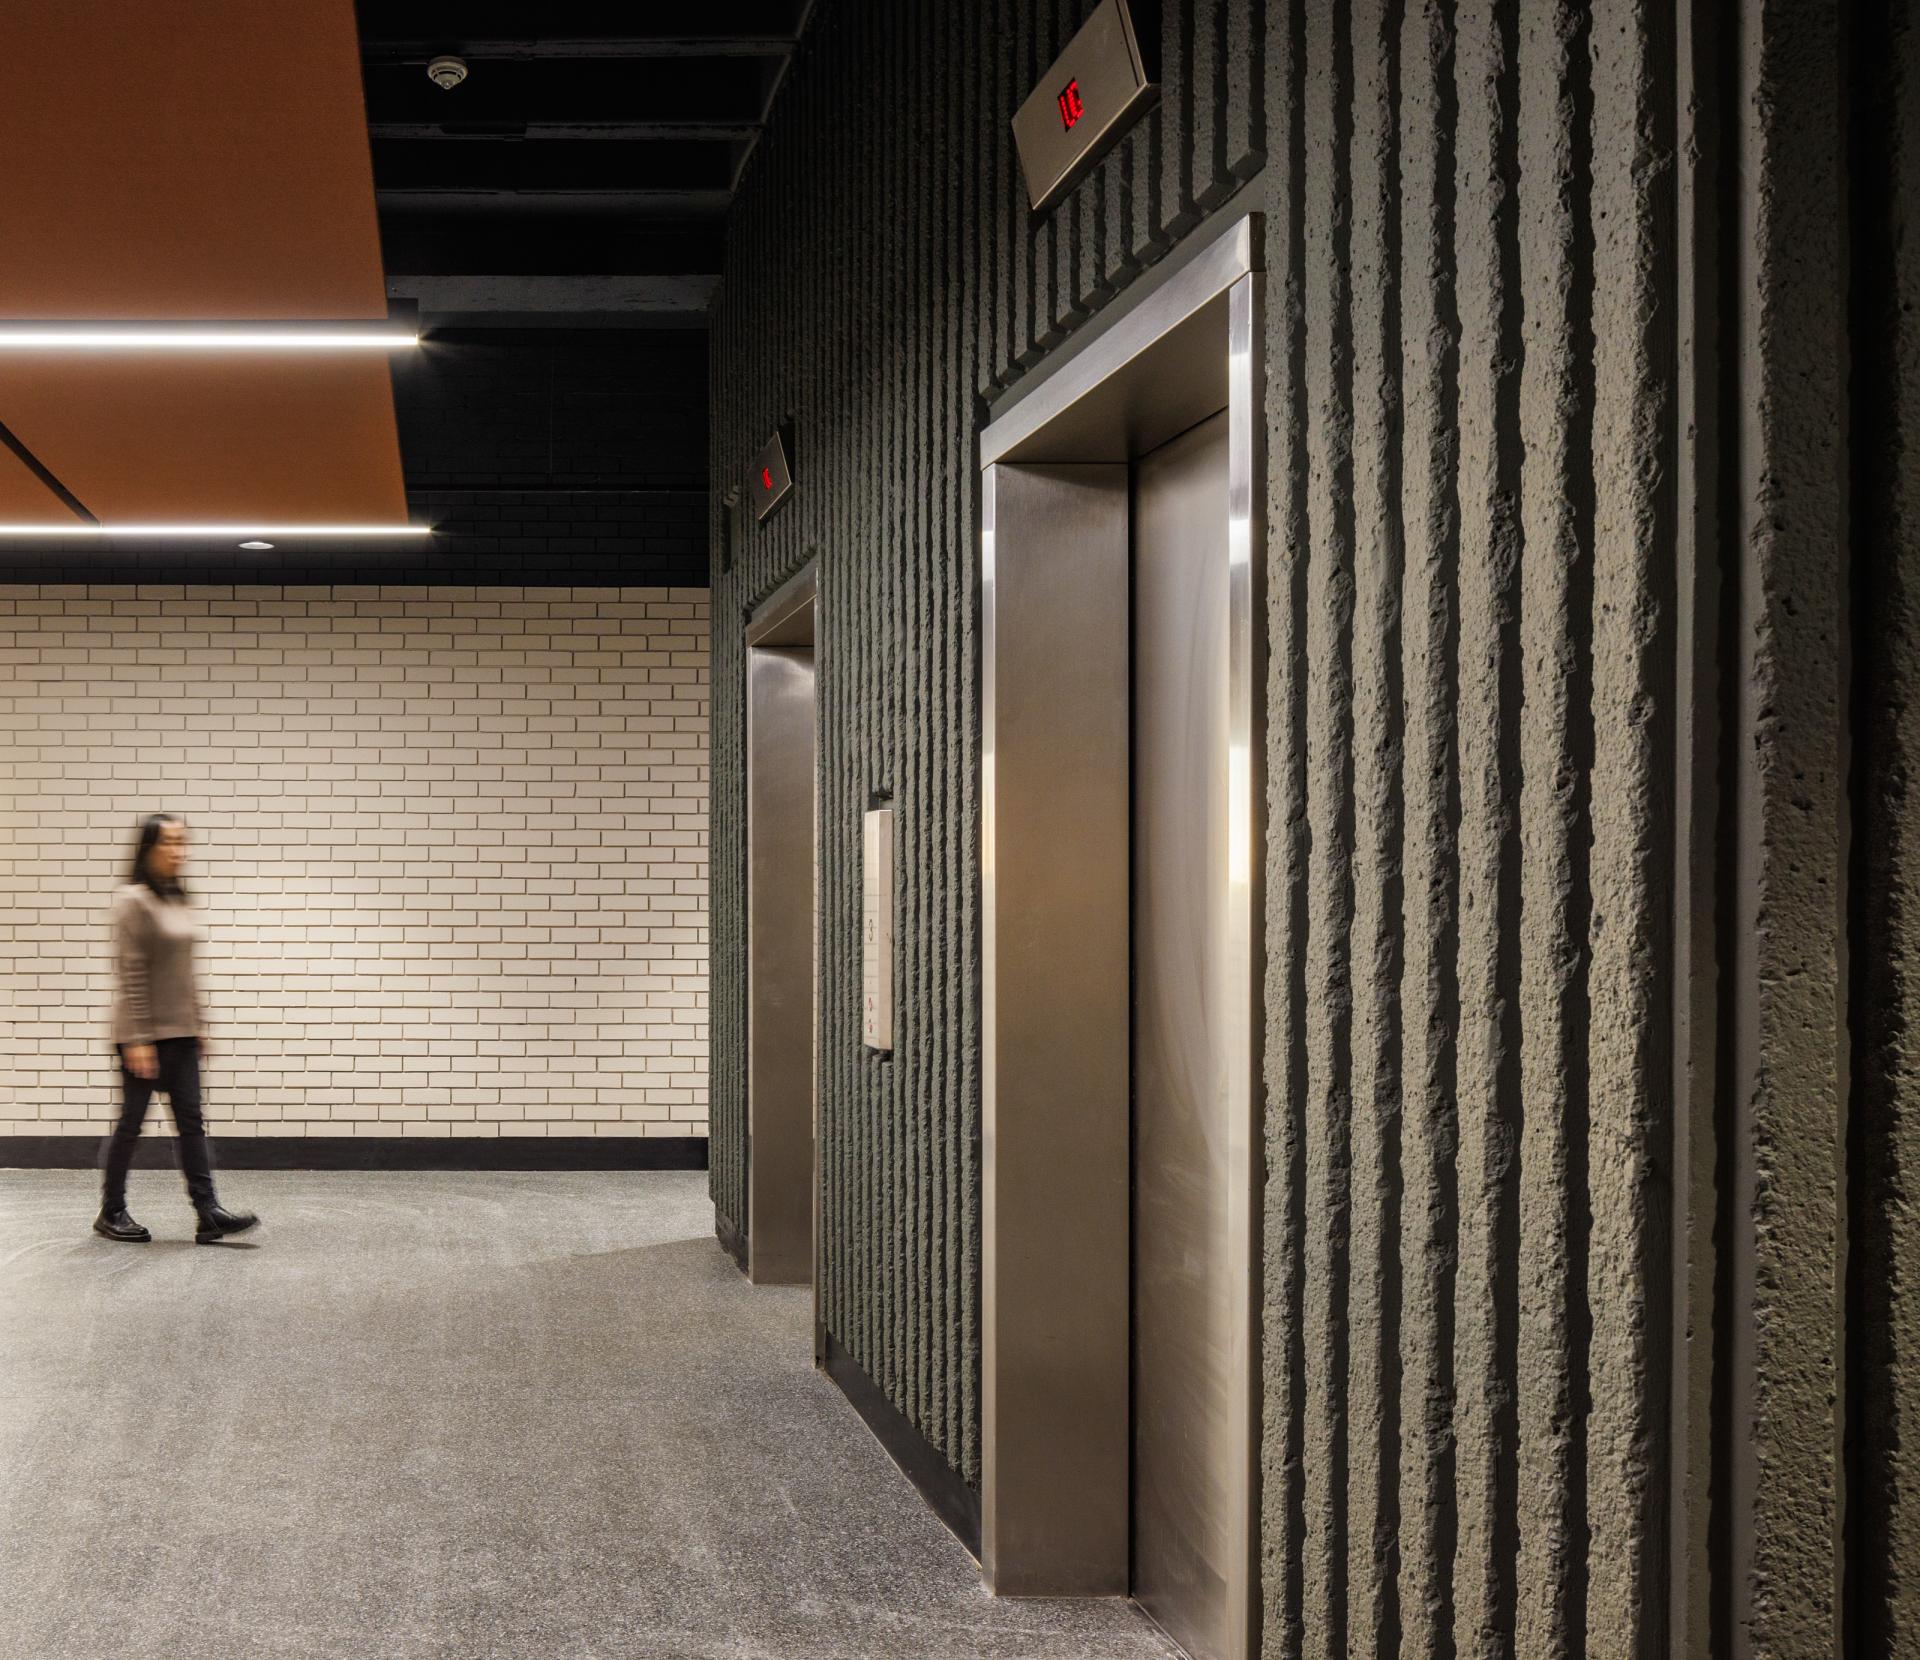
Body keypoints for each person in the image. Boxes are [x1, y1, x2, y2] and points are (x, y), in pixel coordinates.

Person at [95, 814, 258, 1245]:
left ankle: (208, 1213)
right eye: (169, 842)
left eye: (182, 842)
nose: (178, 850)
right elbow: (131, 972)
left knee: (191, 1124)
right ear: (148, 848)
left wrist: (198, 1021)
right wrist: (140, 1037)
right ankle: (111, 1211)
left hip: (181, 1031)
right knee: (131, 1124)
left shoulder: (178, 899)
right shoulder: (132, 899)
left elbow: (184, 971)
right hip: (142, 1035)